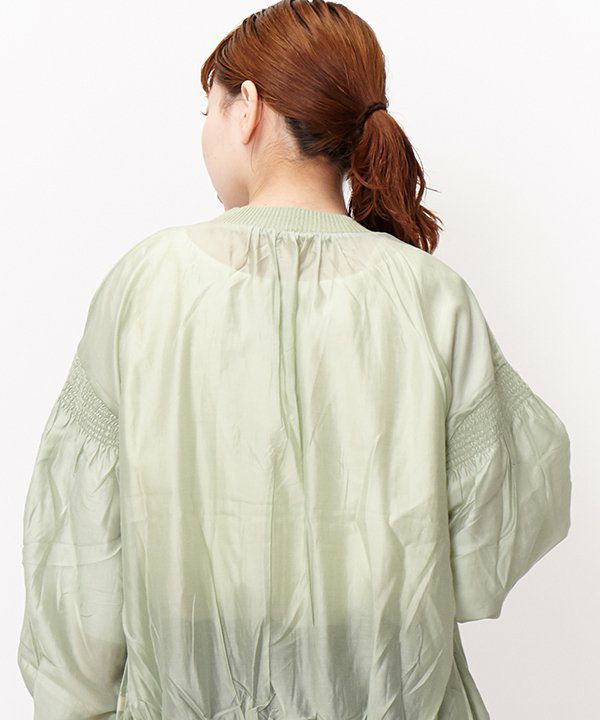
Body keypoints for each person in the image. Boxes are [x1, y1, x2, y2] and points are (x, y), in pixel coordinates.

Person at [17, 2, 571, 719]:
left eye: (210, 109)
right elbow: (491, 543)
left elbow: (80, 550)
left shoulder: (146, 283)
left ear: (247, 108)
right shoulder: (433, 297)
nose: (206, 131)